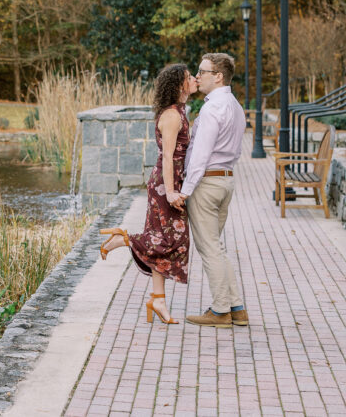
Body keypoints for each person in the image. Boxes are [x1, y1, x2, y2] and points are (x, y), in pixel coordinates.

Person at [98, 63, 199, 324]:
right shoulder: (173, 116)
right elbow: (167, 158)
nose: (195, 79)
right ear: (180, 85)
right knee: (170, 240)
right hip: (165, 184)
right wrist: (170, 192)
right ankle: (123, 240)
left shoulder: (180, 111)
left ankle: (158, 300)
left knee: (164, 240)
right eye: (190, 77)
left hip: (170, 182)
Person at [173, 53, 247, 328]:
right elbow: (236, 150)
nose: (197, 76)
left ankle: (219, 311)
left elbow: (200, 155)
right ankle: (236, 307)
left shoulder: (213, 108)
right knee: (217, 246)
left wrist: (185, 191)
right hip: (226, 179)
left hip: (207, 183)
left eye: (202, 71)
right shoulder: (235, 106)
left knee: (210, 249)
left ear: (218, 76)